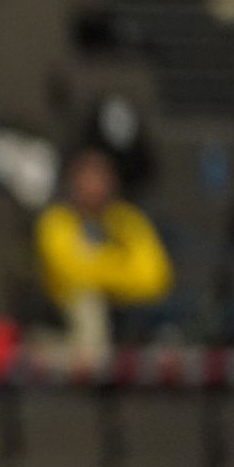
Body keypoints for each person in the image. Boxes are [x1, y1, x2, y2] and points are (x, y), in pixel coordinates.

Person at [35, 147, 172, 351]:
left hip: (127, 311)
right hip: (67, 315)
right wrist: (120, 266)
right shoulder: (55, 221)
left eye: (101, 177)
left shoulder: (127, 219)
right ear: (72, 181)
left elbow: (154, 275)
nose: (94, 185)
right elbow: (71, 272)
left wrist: (100, 267)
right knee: (88, 304)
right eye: (87, 177)